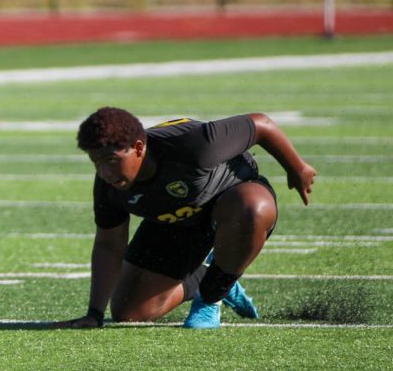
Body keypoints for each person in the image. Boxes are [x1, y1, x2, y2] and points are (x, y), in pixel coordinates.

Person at [54, 107, 317, 331]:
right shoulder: (107, 185)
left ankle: (213, 293)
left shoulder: (194, 145)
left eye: (111, 160)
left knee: (254, 208)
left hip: (231, 201)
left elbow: (261, 124)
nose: (105, 171)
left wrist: (297, 168)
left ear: (138, 148)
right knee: (130, 311)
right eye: (96, 162)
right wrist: (95, 314)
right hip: (178, 221)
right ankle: (211, 274)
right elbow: (109, 244)